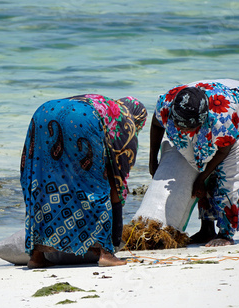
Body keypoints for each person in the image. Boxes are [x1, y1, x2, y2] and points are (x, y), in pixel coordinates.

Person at [20, 94, 147, 268]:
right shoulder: (127, 124)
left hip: (42, 112)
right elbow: (116, 183)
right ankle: (106, 254)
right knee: (96, 184)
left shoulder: (105, 104)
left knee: (43, 180)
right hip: (82, 117)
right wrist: (113, 239)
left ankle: (36, 256)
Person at [149, 79, 239, 247]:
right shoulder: (167, 103)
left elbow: (224, 151)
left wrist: (202, 178)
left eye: (189, 128)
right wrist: (153, 160)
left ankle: (226, 233)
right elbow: (156, 124)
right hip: (207, 95)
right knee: (199, 161)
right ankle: (207, 229)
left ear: (203, 120)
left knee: (228, 175)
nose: (184, 132)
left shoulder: (221, 118)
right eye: (180, 126)